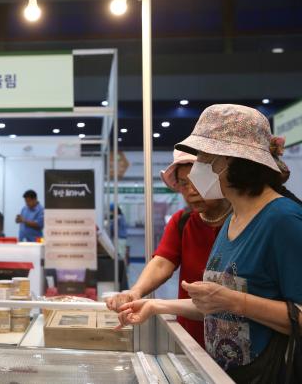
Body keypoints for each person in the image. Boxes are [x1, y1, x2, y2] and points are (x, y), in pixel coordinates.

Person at [116, 104, 302, 381]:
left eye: (203, 157)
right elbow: (218, 304)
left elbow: (237, 303)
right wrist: (156, 306)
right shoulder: (233, 218)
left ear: (228, 161)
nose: (195, 172)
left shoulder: (282, 218)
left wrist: (236, 301)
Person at [105, 150, 232, 347]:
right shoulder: (182, 221)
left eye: (197, 180)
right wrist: (136, 291)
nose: (191, 191)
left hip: (238, 341)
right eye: (183, 183)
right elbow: (162, 262)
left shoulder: (243, 220)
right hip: (192, 338)